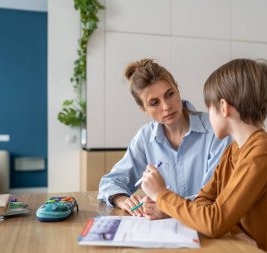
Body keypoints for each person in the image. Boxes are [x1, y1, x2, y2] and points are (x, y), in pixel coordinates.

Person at [141, 58, 267, 252]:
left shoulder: (264, 152)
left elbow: (214, 220)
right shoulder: (232, 149)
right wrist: (234, 230)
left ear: (224, 107)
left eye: (209, 108)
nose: (207, 115)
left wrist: (161, 195)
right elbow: (205, 200)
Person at [98, 59, 232, 220]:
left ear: (177, 89)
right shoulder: (145, 137)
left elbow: (215, 195)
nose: (166, 106)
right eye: (154, 103)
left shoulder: (215, 129)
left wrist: (167, 206)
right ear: (143, 109)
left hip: (211, 227)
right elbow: (110, 183)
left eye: (170, 94)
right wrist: (122, 200)